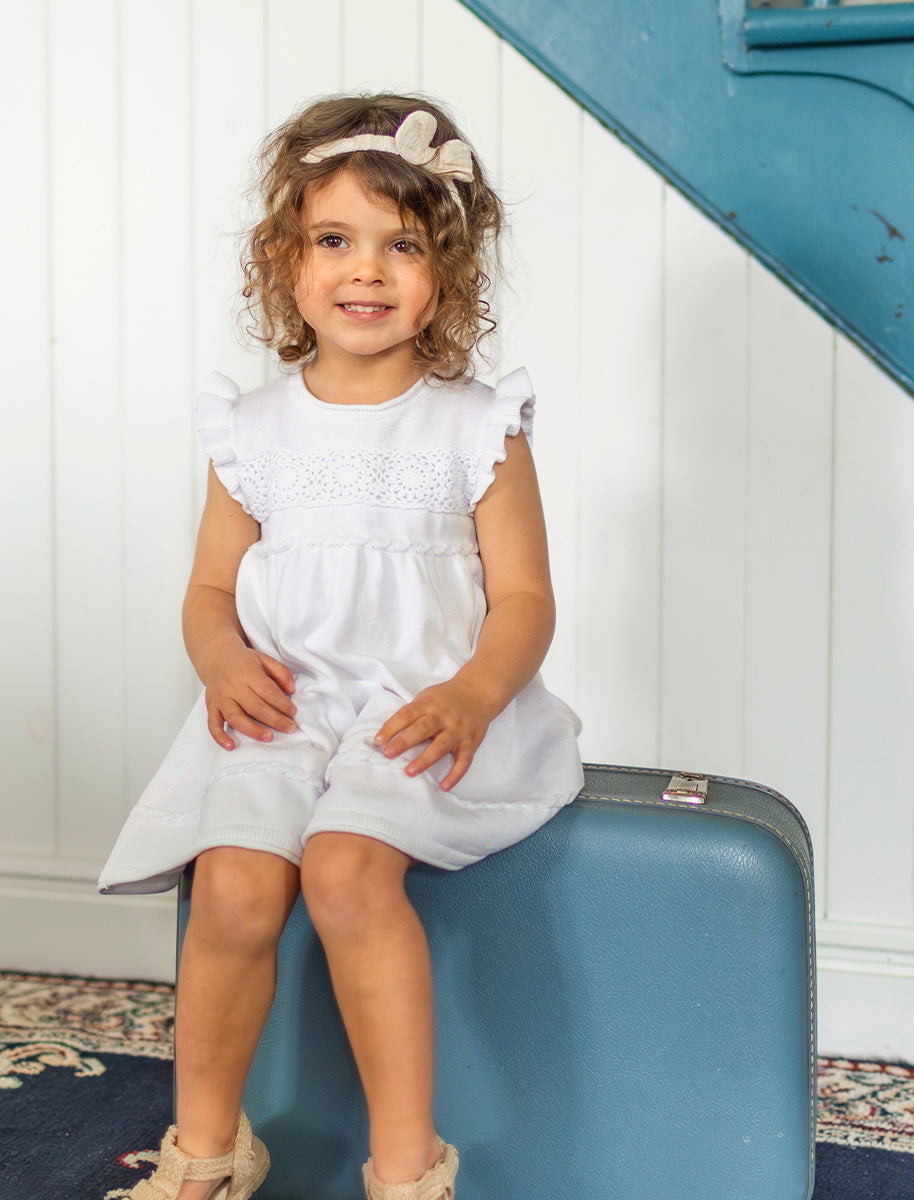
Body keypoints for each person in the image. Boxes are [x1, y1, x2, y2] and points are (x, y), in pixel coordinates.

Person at [99, 93, 583, 1200]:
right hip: (288, 702)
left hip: (424, 708)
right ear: (285, 259)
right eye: (333, 240)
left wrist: (475, 694)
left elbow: (525, 599)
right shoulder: (249, 430)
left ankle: (407, 1170)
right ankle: (206, 1154)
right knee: (231, 886)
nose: (366, 270)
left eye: (402, 245)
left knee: (347, 868)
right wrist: (222, 661)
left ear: (448, 270)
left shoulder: (478, 426)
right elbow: (209, 590)